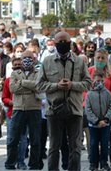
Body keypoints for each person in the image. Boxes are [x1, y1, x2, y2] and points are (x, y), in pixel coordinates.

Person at [36, 31, 92, 171]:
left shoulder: (79, 61)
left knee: (76, 147)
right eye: (59, 42)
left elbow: (88, 83)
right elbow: (39, 85)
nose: (62, 44)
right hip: (54, 110)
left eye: (65, 41)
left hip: (74, 109)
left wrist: (72, 85)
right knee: (54, 147)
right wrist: (56, 86)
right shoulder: (47, 61)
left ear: (70, 43)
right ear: (54, 44)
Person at [5, 50, 43, 170]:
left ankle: (34, 164)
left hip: (34, 109)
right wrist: (31, 87)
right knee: (13, 139)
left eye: (30, 58)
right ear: (21, 60)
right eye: (24, 58)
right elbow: (13, 89)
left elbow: (39, 86)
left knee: (35, 140)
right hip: (18, 109)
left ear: (34, 59)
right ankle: (10, 163)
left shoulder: (39, 72)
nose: (27, 60)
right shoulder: (15, 74)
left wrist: (22, 83)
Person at [2, 58, 29, 170]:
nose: (17, 66)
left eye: (19, 64)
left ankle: (21, 162)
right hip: (11, 114)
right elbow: (4, 98)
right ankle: (10, 162)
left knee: (23, 139)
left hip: (24, 113)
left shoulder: (27, 80)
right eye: (15, 65)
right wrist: (11, 102)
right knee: (11, 139)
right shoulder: (8, 81)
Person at [85, 71, 111, 171]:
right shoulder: (89, 94)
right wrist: (96, 121)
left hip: (105, 124)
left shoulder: (107, 93)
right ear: (93, 80)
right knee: (93, 143)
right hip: (93, 125)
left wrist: (106, 119)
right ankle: (93, 163)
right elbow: (88, 109)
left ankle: (104, 163)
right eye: (98, 80)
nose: (100, 83)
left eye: (102, 81)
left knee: (105, 143)